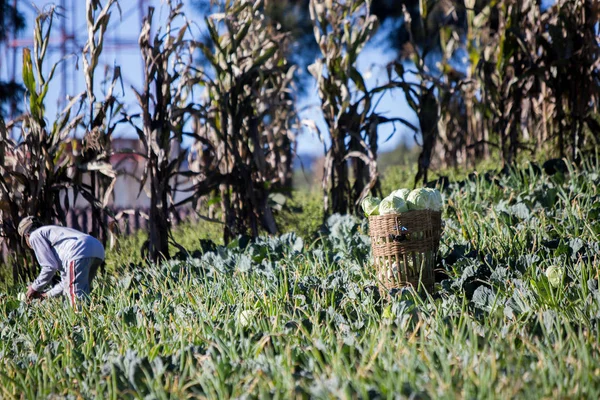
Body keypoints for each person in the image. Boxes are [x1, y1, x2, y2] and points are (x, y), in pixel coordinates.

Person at [17, 216, 105, 307]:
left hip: (78, 250)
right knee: (83, 292)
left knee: (76, 296)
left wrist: (34, 287)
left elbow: (49, 267)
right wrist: (46, 295)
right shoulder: (57, 239)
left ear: (26, 235)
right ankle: (89, 318)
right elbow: (65, 282)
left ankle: (79, 320)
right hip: (96, 248)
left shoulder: (34, 235)